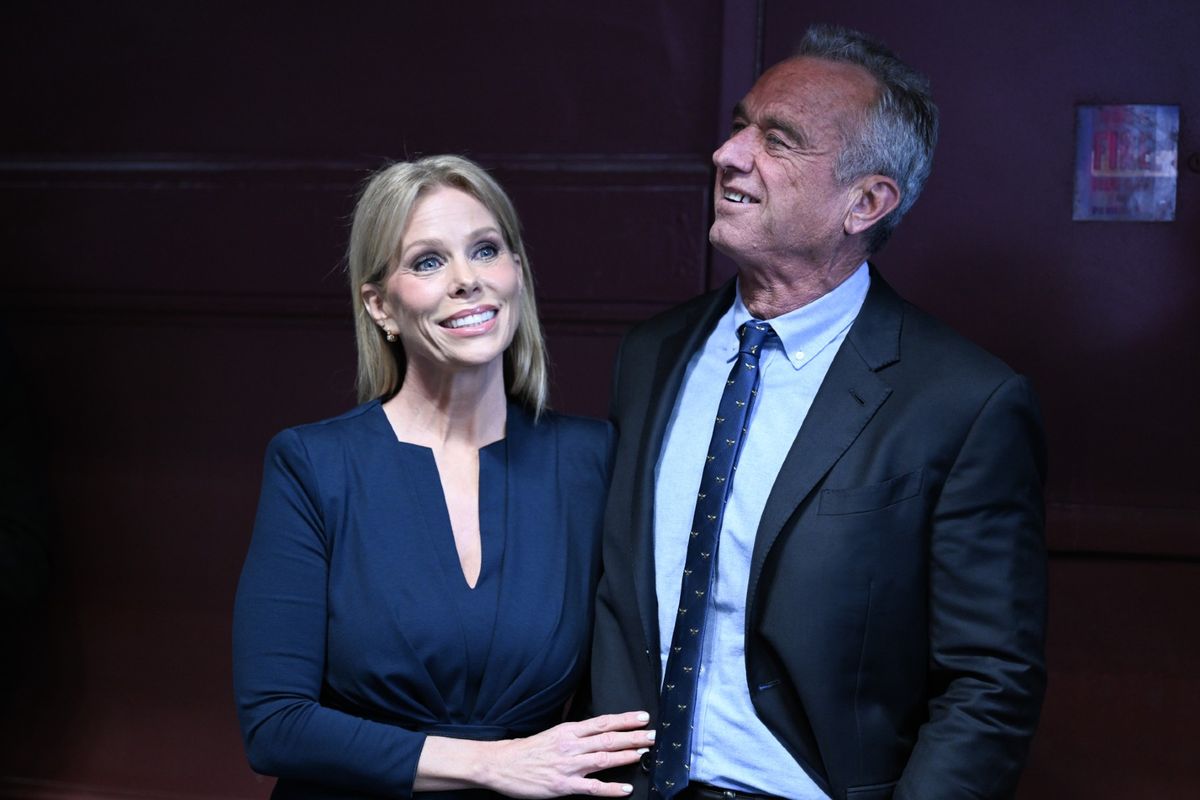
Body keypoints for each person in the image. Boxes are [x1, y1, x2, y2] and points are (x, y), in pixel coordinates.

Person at [591, 25, 1047, 800]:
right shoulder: (652, 355)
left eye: (779, 139)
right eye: (740, 125)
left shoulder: (963, 402)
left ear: (866, 201)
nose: (729, 154)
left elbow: (990, 680)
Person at [233, 155, 653, 800]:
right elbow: (275, 727)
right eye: (428, 262)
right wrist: (492, 763)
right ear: (381, 306)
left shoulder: (593, 459)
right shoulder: (314, 465)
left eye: (486, 250)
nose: (467, 281)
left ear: (517, 272)